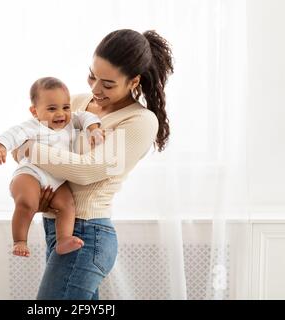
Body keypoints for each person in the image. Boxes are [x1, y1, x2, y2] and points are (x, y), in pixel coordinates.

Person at [13, 29, 173, 299]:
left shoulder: (139, 121)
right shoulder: (75, 103)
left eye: (108, 84)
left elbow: (87, 171)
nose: (95, 89)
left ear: (134, 81)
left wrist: (30, 149)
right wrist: (36, 191)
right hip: (56, 229)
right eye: (92, 76)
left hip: (89, 233)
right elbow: (21, 142)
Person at [0, 77, 105, 257]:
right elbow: (13, 134)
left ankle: (64, 239)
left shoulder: (71, 121)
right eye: (52, 109)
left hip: (57, 180)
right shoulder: (33, 126)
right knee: (27, 202)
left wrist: (94, 129)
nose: (60, 114)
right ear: (34, 111)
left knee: (67, 205)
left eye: (66, 107)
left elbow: (86, 116)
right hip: (31, 173)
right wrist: (0, 147)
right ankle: (20, 240)